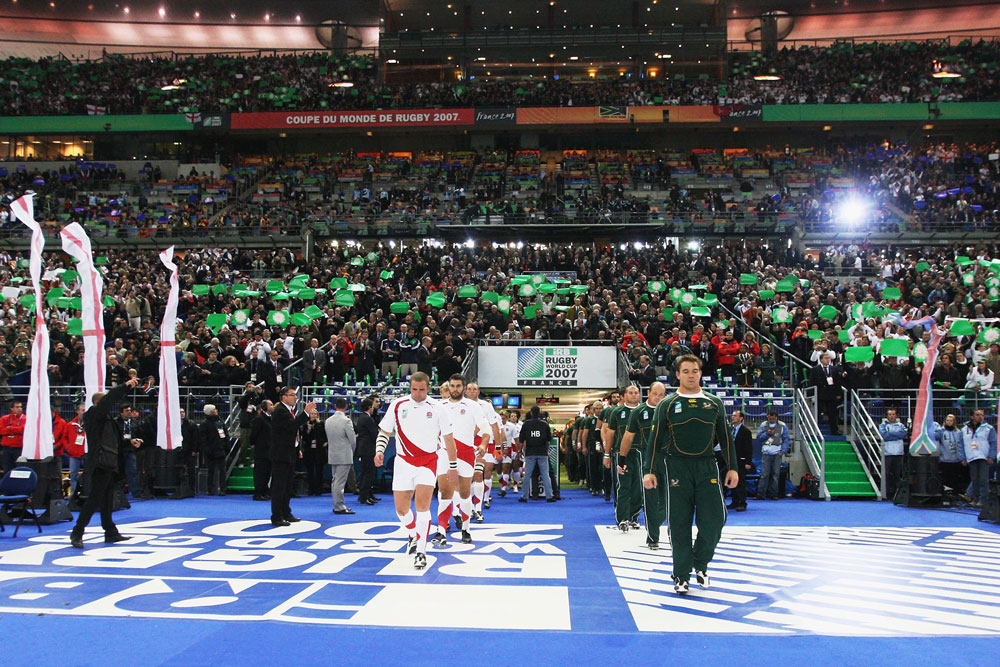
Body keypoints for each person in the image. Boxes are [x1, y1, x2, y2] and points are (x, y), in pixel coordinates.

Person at [644, 355, 738, 595]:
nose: (691, 375)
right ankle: (681, 575)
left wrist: (732, 467)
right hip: (677, 467)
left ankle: (700, 562)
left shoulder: (714, 403)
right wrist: (650, 471)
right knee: (679, 525)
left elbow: (726, 439)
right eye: (686, 371)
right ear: (677, 375)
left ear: (700, 373)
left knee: (715, 520)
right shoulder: (667, 404)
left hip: (707, 467)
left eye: (695, 370)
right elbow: (654, 441)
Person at [375, 372, 456, 570]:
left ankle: (421, 551)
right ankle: (412, 533)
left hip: (428, 462)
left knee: (423, 506)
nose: (418, 393)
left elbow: (449, 438)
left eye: (422, 389)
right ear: (409, 388)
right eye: (414, 389)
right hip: (403, 462)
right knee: (401, 509)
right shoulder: (398, 405)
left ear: (428, 388)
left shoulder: (438, 408)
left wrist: (452, 466)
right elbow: (385, 430)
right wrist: (379, 450)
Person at [70, 377, 141, 548]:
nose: (110, 404)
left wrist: (129, 443)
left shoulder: (108, 420)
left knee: (107, 499)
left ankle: (110, 532)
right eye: (105, 401)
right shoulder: (94, 415)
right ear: (97, 403)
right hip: (100, 463)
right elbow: (109, 399)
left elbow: (114, 441)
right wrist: (125, 385)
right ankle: (77, 532)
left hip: (110, 463)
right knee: (94, 499)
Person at [432, 374, 487, 546]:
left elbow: (486, 429)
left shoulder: (473, 406)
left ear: (463, 387)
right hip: (444, 453)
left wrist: (484, 445)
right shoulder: (439, 406)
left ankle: (466, 528)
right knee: (444, 492)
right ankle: (441, 530)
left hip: (466, 454)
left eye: (458, 386)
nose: (455, 389)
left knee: (464, 494)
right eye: (452, 386)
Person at [620, 381, 666, 550]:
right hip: (648, 460)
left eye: (662, 395)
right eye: (656, 394)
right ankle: (653, 537)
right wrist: (621, 458)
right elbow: (628, 436)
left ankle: (658, 524)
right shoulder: (638, 412)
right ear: (648, 392)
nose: (658, 398)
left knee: (669, 501)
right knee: (651, 500)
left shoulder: (669, 409)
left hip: (670, 460)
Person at [270, 387, 317, 526]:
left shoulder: (288, 411)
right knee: (279, 486)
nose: (295, 398)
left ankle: (286, 512)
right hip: (280, 455)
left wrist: (297, 447)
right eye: (292, 395)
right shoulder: (280, 411)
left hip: (289, 452)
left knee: (288, 486)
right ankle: (277, 515)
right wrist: (306, 413)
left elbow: (292, 431)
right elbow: (291, 426)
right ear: (284, 397)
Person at [604, 385, 641, 531]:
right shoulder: (617, 412)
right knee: (624, 486)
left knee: (638, 487)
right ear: (624, 396)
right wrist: (607, 454)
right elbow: (610, 434)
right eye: (630, 393)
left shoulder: (644, 411)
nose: (633, 395)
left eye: (636, 393)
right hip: (622, 454)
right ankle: (622, 519)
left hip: (640, 453)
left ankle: (634, 517)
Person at [465, 381, 502, 517]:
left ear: (478, 391)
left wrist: (497, 448)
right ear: (465, 391)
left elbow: (495, 427)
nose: (472, 391)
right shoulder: (460, 405)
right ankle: (468, 508)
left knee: (479, 474)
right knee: (466, 478)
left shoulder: (486, 406)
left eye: (475, 389)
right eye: (469, 389)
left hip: (481, 443)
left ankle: (478, 508)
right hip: (464, 443)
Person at [326, 397, 357, 515]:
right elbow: (353, 440)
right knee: (339, 482)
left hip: (333, 454)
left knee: (335, 481)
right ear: (346, 406)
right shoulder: (346, 421)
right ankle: (339, 506)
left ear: (335, 406)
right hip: (344, 455)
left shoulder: (328, 421)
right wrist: (351, 451)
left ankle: (337, 504)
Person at [517, 406, 555, 502]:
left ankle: (524, 496)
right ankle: (549, 496)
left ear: (531, 413)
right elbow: (549, 438)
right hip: (542, 452)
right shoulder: (544, 424)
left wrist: (519, 451)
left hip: (530, 452)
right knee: (545, 475)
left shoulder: (526, 424)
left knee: (527, 475)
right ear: (539, 413)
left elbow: (521, 439)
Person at [961, 409, 997, 507]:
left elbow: (994, 443)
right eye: (977, 415)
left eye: (982, 415)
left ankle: (983, 500)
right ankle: (975, 499)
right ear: (972, 417)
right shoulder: (964, 429)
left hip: (983, 457)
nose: (980, 417)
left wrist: (991, 456)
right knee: (975, 479)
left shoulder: (989, 428)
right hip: (971, 456)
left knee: (983, 480)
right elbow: (961, 444)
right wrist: (962, 457)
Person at [754, 409, 790, 500]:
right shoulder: (763, 425)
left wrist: (783, 451)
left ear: (776, 417)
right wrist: (767, 434)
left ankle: (774, 494)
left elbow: (786, 439)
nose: (771, 420)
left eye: (773, 419)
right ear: (767, 417)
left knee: (775, 474)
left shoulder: (782, 426)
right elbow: (759, 438)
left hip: (777, 452)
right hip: (766, 452)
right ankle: (760, 494)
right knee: (764, 474)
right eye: (770, 419)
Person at [809, 352, 843, 435]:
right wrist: (811, 394)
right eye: (826, 358)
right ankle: (814, 430)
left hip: (831, 394)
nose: (828, 360)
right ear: (821, 360)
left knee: (833, 413)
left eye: (829, 358)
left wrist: (838, 393)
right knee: (817, 413)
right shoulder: (815, 369)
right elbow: (812, 382)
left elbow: (837, 382)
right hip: (819, 394)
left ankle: (834, 430)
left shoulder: (834, 369)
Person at [199, 404, 229, 496]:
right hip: (211, 451)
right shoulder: (204, 424)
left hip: (220, 450)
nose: (216, 410)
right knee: (211, 471)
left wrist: (226, 446)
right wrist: (207, 450)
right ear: (211, 412)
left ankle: (223, 489)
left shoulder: (220, 422)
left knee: (222, 471)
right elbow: (202, 439)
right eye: (215, 409)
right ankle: (210, 489)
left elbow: (226, 435)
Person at [934, 413, 967, 497]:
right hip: (944, 459)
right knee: (945, 478)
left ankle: (955, 495)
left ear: (954, 422)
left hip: (955, 460)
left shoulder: (958, 432)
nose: (949, 422)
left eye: (951, 421)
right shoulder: (941, 432)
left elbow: (960, 445)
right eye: (947, 421)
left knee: (955, 479)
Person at [878, 408, 908, 500]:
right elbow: (884, 436)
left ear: (896, 415)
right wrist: (896, 436)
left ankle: (898, 495)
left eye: (893, 414)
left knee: (897, 475)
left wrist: (890, 433)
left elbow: (903, 435)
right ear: (887, 416)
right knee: (886, 474)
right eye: (890, 414)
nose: (891, 416)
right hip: (887, 453)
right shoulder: (882, 425)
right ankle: (885, 494)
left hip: (898, 453)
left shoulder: (901, 425)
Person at [355, 397, 379, 505]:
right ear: (370, 407)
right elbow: (375, 434)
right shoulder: (368, 419)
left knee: (365, 473)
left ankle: (365, 495)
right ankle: (364, 496)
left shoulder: (361, 417)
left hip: (364, 449)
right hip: (368, 450)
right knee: (369, 474)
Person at [729, 410, 753, 511]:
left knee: (740, 482)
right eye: (732, 415)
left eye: (735, 416)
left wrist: (748, 461)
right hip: (731, 460)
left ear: (741, 418)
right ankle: (734, 501)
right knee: (732, 481)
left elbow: (749, 448)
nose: (732, 417)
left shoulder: (745, 431)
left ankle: (742, 502)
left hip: (741, 460)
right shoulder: (730, 430)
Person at [250, 400, 274, 501]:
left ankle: (265, 491)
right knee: (260, 473)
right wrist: (253, 444)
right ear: (265, 407)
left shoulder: (271, 419)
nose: (273, 406)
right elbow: (253, 434)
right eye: (271, 405)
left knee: (267, 472)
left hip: (269, 450)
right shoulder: (259, 419)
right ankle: (258, 493)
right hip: (261, 450)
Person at [301, 408, 328, 496]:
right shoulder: (305, 425)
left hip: (319, 449)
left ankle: (319, 489)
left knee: (319, 470)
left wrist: (325, 442)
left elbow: (325, 435)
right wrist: (308, 430)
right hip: (309, 450)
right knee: (310, 470)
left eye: (315, 413)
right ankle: (311, 488)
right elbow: (304, 438)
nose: (313, 415)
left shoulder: (321, 424)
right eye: (311, 413)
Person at [64, 404, 87, 499]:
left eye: (85, 410)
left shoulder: (90, 424)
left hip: (86, 453)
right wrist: (69, 448)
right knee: (73, 474)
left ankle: (86, 493)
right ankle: (73, 494)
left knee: (88, 474)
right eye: (82, 410)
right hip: (73, 454)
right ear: (77, 411)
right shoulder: (70, 425)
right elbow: (64, 438)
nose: (84, 412)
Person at [0, 400, 25, 472]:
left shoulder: (25, 418)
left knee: (19, 469)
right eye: (17, 407)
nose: (20, 409)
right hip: (7, 448)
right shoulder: (4, 418)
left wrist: (10, 428)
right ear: (12, 408)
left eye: (20, 407)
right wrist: (16, 430)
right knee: (7, 469)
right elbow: (1, 430)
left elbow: (23, 430)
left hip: (19, 448)